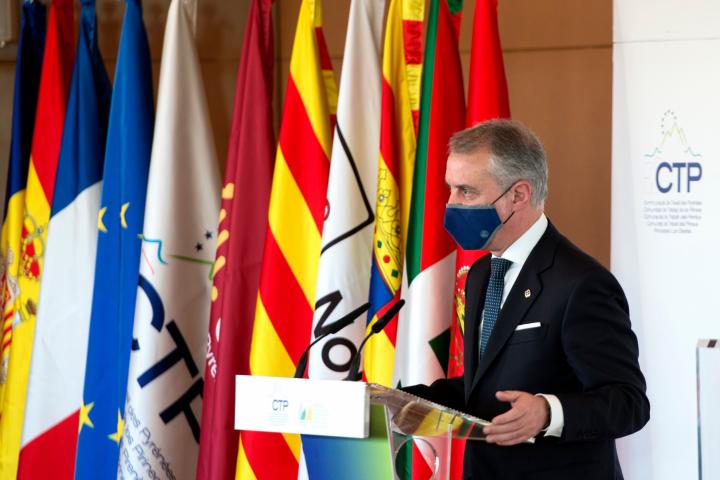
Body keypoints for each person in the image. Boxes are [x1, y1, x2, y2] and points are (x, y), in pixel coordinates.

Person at [403, 119, 649, 479]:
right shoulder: (481, 274)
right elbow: (486, 385)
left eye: (466, 191)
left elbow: (629, 402)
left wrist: (549, 412)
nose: (451, 204)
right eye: (450, 189)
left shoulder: (582, 283)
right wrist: (406, 403)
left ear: (518, 195)